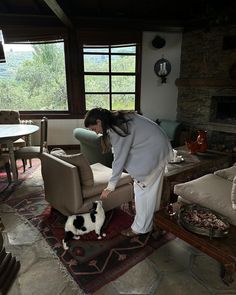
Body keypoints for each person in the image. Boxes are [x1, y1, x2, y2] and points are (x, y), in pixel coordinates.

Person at [84, 108, 172, 237]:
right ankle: (153, 220)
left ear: (99, 121)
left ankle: (140, 228)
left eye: (93, 129)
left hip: (154, 151)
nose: (96, 132)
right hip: (158, 147)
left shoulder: (117, 130)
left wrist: (111, 186)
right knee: (150, 190)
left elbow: (119, 160)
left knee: (144, 191)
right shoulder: (118, 118)